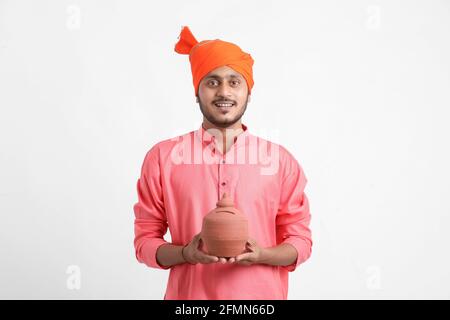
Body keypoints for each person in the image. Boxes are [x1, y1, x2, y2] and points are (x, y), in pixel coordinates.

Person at [133, 26, 312, 300]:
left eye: (234, 82)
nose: (224, 92)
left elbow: (300, 241)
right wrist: (185, 253)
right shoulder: (162, 158)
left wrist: (263, 255)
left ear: (248, 92)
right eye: (212, 82)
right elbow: (145, 242)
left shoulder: (279, 162)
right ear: (197, 92)